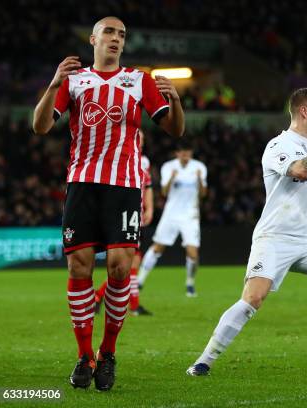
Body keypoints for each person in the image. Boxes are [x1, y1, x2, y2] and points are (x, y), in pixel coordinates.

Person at [186, 88, 307, 376]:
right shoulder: (278, 145)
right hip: (274, 239)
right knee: (253, 299)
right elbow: (301, 171)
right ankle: (204, 360)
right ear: (304, 111)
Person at [32, 16, 185, 391]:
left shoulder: (139, 80)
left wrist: (176, 101)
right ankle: (85, 355)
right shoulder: (72, 81)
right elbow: (40, 126)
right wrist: (53, 84)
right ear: (94, 39)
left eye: (122, 35)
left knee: (119, 268)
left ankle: (108, 352)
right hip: (82, 184)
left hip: (124, 185)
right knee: (78, 266)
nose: (116, 39)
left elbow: (174, 129)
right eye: (110, 33)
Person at [137, 139, 207, 297]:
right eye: (183, 152)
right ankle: (140, 280)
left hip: (190, 215)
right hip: (171, 214)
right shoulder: (169, 167)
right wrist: (172, 178)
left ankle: (190, 283)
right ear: (177, 153)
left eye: (188, 152)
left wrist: (199, 180)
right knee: (157, 247)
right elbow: (164, 192)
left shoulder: (199, 168)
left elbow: (203, 194)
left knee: (193, 253)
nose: (186, 155)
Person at [95, 129, 154, 316]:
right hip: (125, 214)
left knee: (132, 262)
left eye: (142, 138)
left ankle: (102, 297)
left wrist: (149, 208)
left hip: (137, 215)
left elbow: (148, 186)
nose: (141, 141)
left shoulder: (144, 161)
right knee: (130, 263)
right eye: (138, 137)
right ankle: (132, 305)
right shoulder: (120, 158)